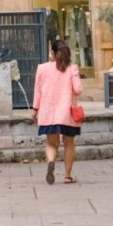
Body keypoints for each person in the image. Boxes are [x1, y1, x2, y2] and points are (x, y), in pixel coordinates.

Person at [31, 40, 83, 184]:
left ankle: (51, 162)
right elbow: (78, 90)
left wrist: (35, 110)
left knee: (51, 143)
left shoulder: (42, 68)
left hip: (49, 114)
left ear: (52, 53)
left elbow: (37, 92)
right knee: (69, 143)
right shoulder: (72, 68)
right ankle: (67, 175)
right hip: (67, 114)